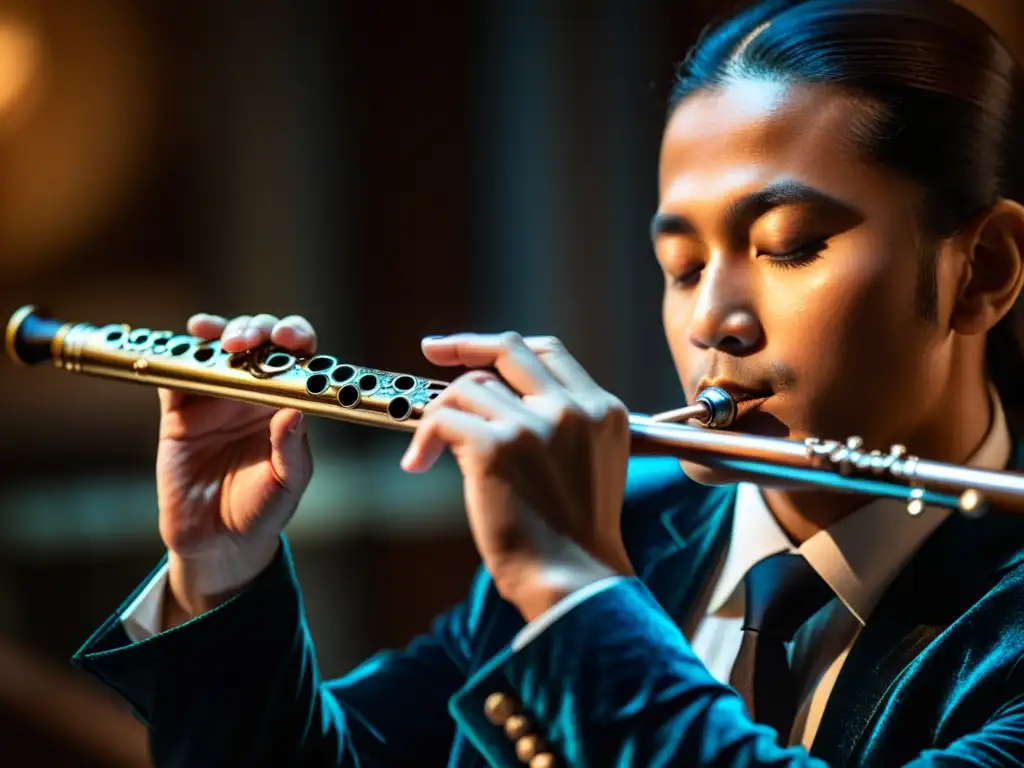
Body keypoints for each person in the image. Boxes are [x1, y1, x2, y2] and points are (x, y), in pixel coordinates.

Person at [73, 0, 1024, 764]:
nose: (709, 322)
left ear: (980, 268)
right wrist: (223, 571)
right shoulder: (630, 524)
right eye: (685, 266)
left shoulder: (578, 547)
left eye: (788, 246)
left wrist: (578, 591)